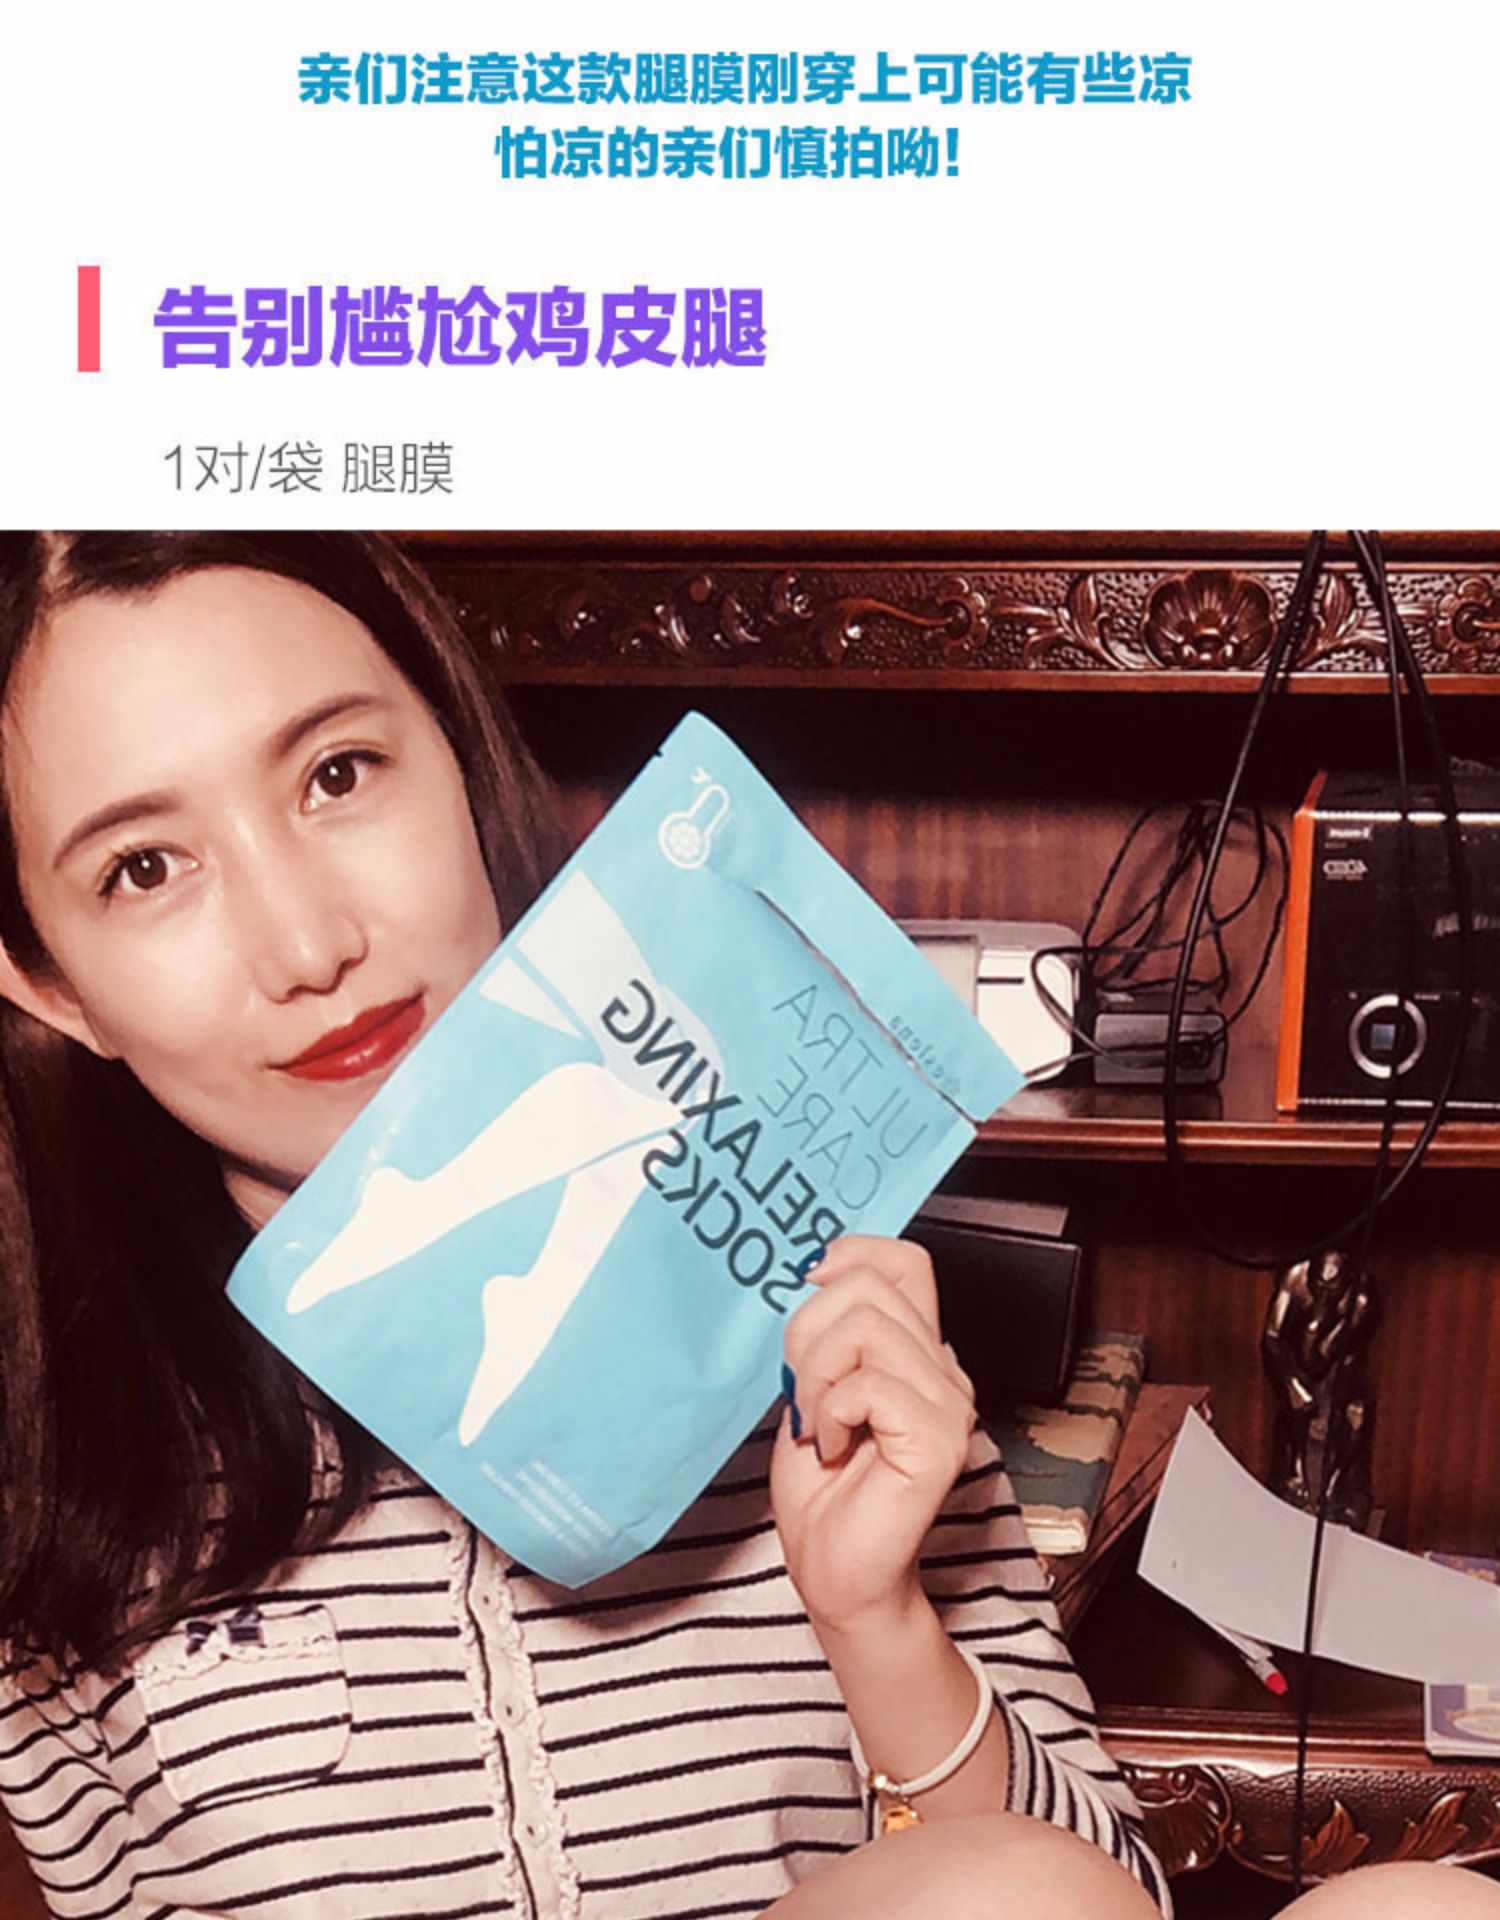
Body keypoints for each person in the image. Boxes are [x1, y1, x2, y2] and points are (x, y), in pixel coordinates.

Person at [0, 533, 1491, 1920]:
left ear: (459, 766)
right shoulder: (64, 1478)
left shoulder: (816, 1328)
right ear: (49, 984)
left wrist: (877, 1622)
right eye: (144, 868)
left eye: (339, 774)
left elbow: (1106, 1895)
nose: (310, 942)